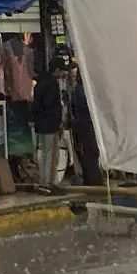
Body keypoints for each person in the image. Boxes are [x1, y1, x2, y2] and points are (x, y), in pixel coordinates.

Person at [33, 56, 66, 189]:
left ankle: (47, 181)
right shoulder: (51, 84)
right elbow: (51, 104)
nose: (63, 73)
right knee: (51, 154)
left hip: (41, 124)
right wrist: (59, 120)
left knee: (46, 153)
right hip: (50, 124)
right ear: (57, 69)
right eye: (62, 70)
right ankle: (47, 182)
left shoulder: (39, 82)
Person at [69, 64, 101, 186]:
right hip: (86, 123)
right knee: (92, 151)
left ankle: (91, 178)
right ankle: (93, 179)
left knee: (89, 151)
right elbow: (86, 107)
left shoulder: (77, 90)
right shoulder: (82, 91)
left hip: (82, 123)